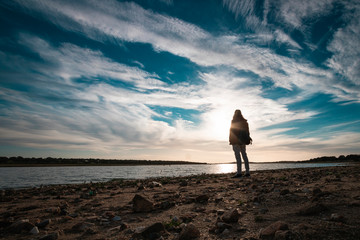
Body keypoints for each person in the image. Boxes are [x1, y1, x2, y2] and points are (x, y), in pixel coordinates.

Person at [229, 109, 251, 178]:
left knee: (238, 157)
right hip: (243, 141)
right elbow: (248, 132)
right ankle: (247, 172)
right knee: (244, 155)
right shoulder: (245, 122)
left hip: (235, 141)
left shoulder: (234, 121)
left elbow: (232, 132)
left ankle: (239, 173)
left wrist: (230, 140)